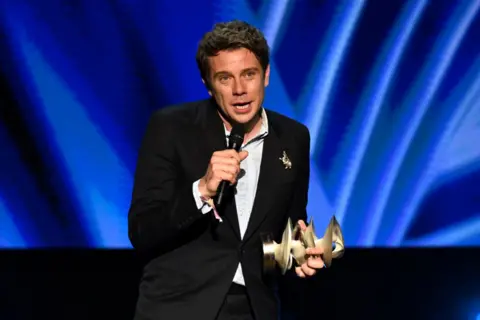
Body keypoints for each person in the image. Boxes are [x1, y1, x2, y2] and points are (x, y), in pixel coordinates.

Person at [128, 20, 325, 320]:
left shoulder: (294, 138)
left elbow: (289, 228)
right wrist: (201, 190)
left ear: (266, 75)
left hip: (253, 309)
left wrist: (299, 253)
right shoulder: (171, 128)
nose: (239, 90)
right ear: (208, 84)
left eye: (249, 74)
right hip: (177, 308)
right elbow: (142, 231)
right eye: (224, 78)